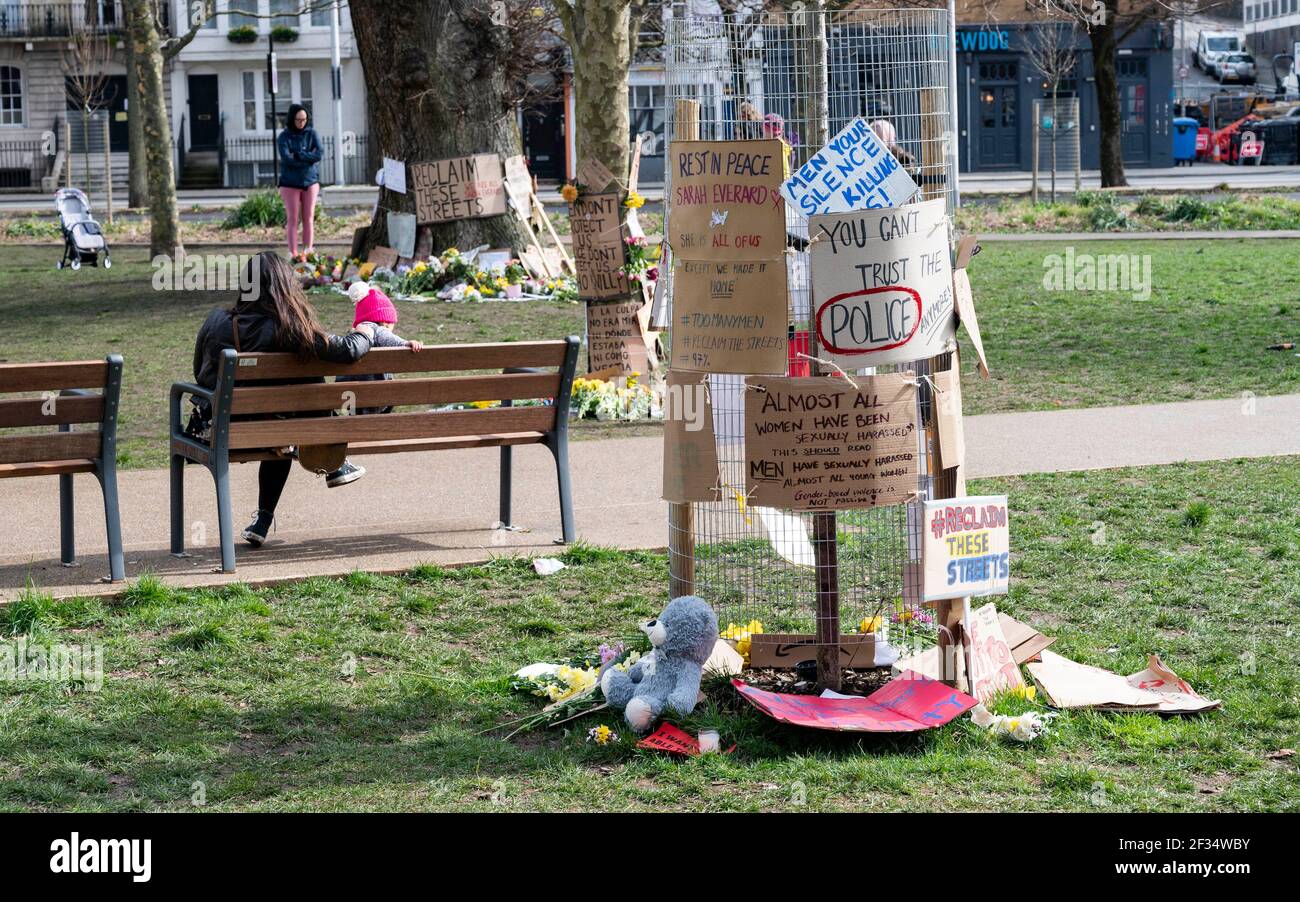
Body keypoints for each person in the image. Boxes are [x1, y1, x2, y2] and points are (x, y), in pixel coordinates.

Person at [191, 252, 375, 547]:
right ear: (284, 286)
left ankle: (264, 520)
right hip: (279, 430)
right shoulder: (290, 327)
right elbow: (348, 350)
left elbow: (200, 373)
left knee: (284, 414)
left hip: (223, 428)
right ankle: (333, 462)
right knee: (298, 396)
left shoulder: (216, 321)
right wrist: (366, 331)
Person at [336, 281, 424, 414]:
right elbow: (390, 339)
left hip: (349, 395)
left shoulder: (355, 334)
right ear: (385, 321)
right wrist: (406, 343)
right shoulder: (378, 330)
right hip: (375, 395)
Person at [277, 103, 323, 258]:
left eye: (304, 119)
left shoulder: (312, 134)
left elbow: (319, 155)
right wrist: (307, 157)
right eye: (298, 120)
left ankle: (308, 251)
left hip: (310, 182)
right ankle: (293, 253)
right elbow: (287, 159)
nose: (302, 123)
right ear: (292, 119)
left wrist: (299, 155)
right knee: (293, 218)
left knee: (308, 217)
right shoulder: (284, 137)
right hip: (290, 183)